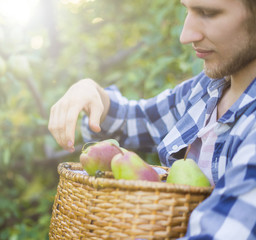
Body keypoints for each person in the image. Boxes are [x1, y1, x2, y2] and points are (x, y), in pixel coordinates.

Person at [48, 0, 256, 239]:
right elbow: (137, 120)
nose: (186, 35)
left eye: (208, 12)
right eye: (186, 10)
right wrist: (91, 92)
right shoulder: (206, 90)